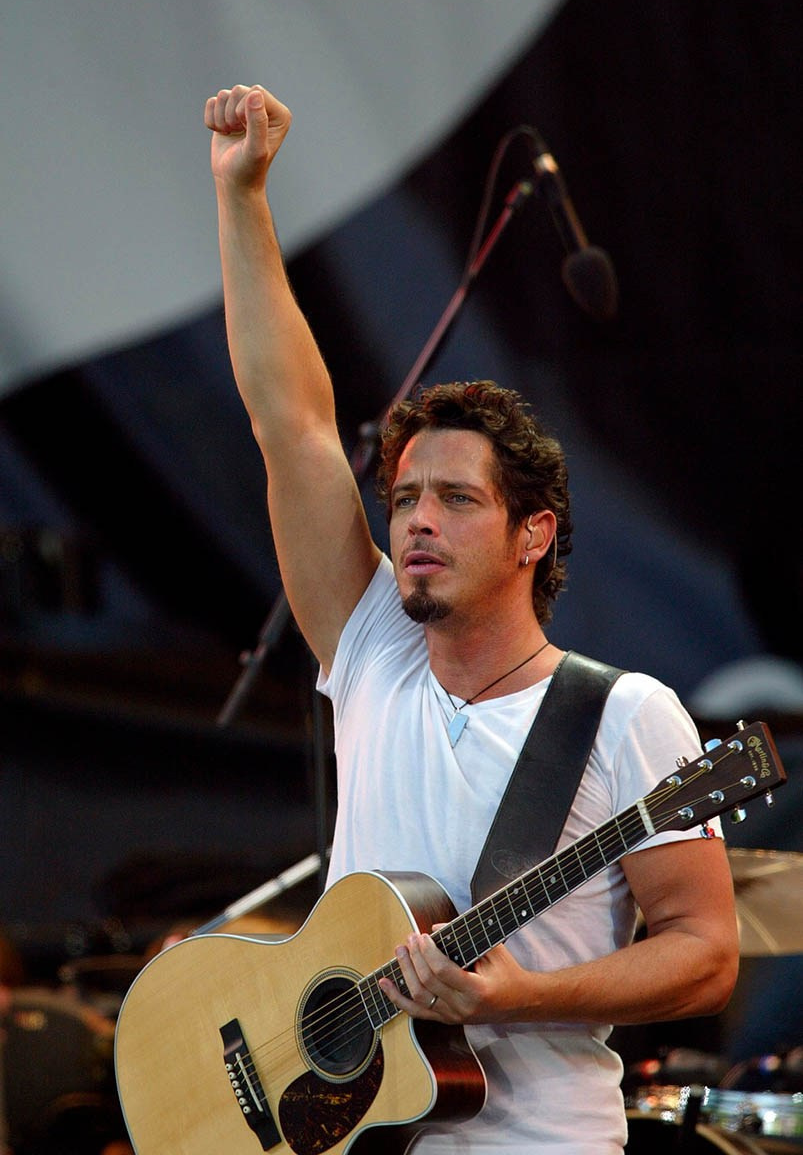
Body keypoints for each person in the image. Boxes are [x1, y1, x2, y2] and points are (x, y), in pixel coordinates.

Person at [204, 83, 739, 1154]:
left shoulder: (623, 715)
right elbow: (291, 424)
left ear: (532, 534)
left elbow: (706, 949)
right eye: (403, 497)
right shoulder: (370, 654)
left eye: (454, 499)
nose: (414, 521)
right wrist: (242, 197)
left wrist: (511, 998)